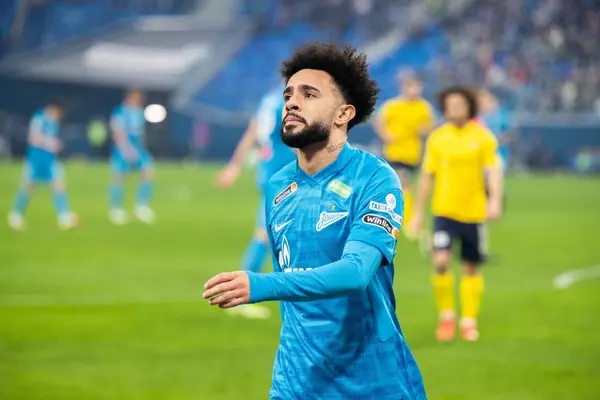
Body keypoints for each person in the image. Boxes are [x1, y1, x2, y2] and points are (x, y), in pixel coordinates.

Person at [204, 42, 426, 400]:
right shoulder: (278, 186)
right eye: (288, 94)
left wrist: (260, 284)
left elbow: (355, 272)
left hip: (371, 383)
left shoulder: (374, 178)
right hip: (294, 384)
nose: (292, 103)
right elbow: (295, 293)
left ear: (343, 114)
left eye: (309, 94)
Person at [408, 85, 503, 342]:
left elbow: (492, 171)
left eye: (459, 104)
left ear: (469, 107)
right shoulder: (438, 138)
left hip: (473, 214)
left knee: (470, 267)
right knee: (440, 262)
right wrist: (418, 213)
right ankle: (447, 317)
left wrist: (494, 200)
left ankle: (469, 321)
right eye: (450, 105)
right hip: (444, 211)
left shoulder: (483, 137)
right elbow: (427, 176)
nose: (455, 109)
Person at [215, 86, 297, 319]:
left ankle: (292, 292)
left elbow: (252, 133)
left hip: (270, 172)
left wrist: (234, 166)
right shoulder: (287, 103)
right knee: (265, 234)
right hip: (283, 174)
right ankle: (240, 296)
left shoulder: (269, 99)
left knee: (281, 233)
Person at [373, 71, 435, 228]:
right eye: (410, 86)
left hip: (414, 154)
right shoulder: (393, 106)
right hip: (395, 152)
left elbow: (429, 127)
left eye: (417, 86)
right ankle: (406, 220)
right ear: (403, 88)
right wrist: (386, 135)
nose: (414, 90)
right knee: (403, 184)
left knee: (409, 187)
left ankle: (404, 217)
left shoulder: (423, 107)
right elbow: (379, 121)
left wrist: (424, 130)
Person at [8, 100, 79, 231]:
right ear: (55, 109)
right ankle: (16, 215)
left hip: (50, 159)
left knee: (59, 185)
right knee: (29, 186)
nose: (60, 116)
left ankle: (63, 217)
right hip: (36, 158)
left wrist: (54, 145)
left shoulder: (54, 123)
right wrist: (51, 143)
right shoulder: (39, 118)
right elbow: (33, 138)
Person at [108, 89, 155, 225]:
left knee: (148, 172)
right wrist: (124, 148)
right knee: (119, 177)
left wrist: (141, 149)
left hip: (138, 148)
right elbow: (117, 131)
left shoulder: (139, 112)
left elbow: (140, 134)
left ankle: (141, 207)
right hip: (123, 147)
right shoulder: (120, 112)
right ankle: (116, 209)